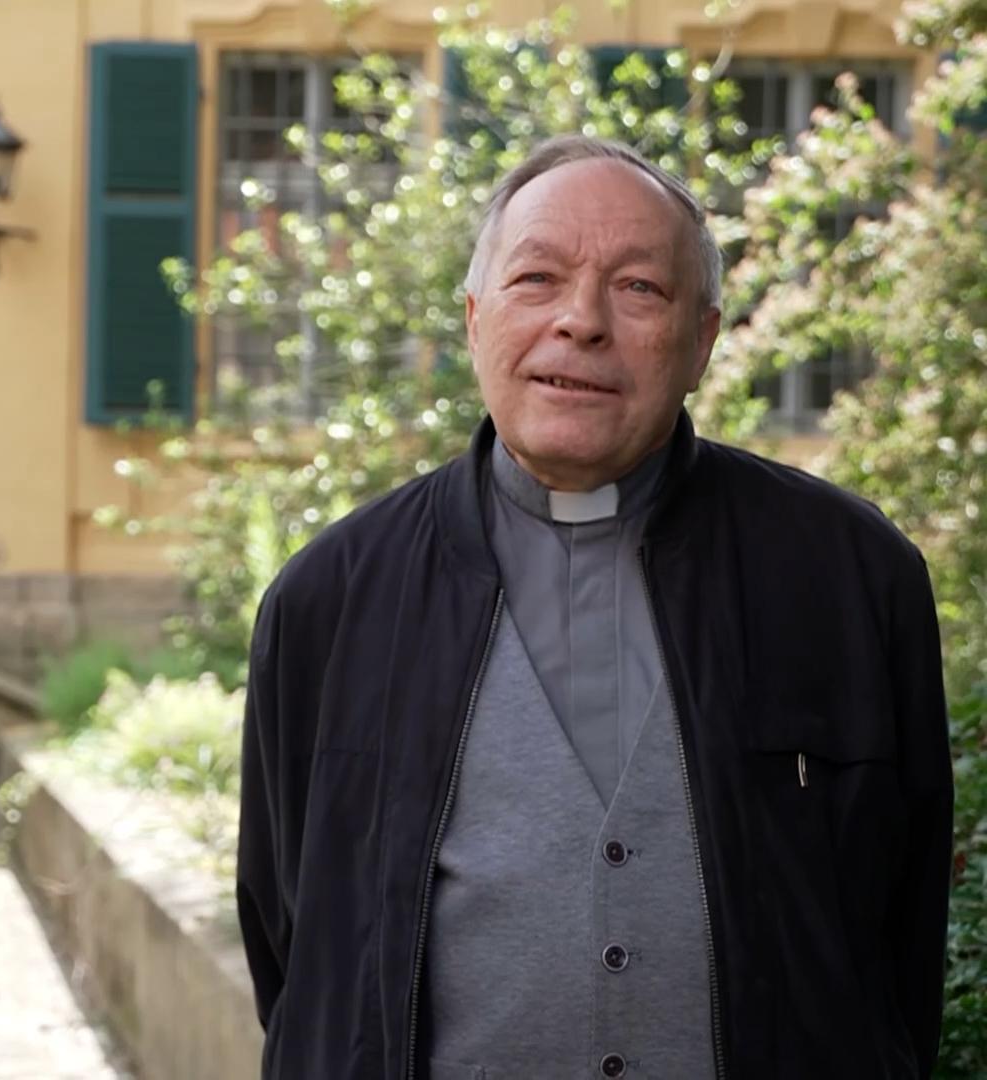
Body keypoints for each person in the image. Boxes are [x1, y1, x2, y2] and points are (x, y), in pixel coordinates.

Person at [235, 135, 953, 1078]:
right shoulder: (328, 599)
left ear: (702, 340)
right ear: (473, 318)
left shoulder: (852, 578)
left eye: (639, 289)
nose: (581, 321)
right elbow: (293, 943)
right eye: (537, 277)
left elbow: (898, 945)